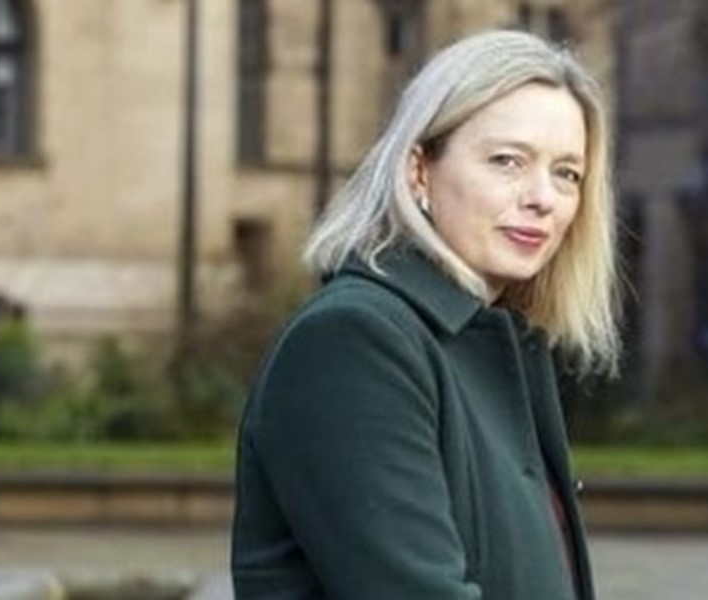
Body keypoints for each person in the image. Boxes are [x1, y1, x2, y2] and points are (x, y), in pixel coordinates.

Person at [232, 29, 620, 599]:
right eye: (508, 161)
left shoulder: (494, 346)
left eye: (567, 173)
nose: (543, 197)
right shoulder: (355, 342)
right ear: (419, 170)